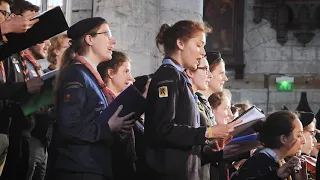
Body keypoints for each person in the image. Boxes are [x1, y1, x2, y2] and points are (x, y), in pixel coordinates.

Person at [144, 20, 241, 180]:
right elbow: (162, 129)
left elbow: (184, 135)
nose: (203, 52)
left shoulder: (178, 78)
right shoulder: (168, 77)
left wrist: (209, 144)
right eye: (199, 45)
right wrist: (208, 132)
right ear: (180, 43)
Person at [48, 17, 135, 180]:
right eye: (107, 35)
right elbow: (69, 127)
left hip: (91, 166)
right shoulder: (77, 74)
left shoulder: (90, 76)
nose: (113, 41)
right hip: (79, 168)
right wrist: (108, 127)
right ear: (89, 39)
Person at [232, 111, 307, 180]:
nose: (304, 141)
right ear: (283, 139)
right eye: (299, 135)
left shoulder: (282, 164)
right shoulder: (258, 164)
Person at [97, 50, 136, 179]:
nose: (131, 78)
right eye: (126, 71)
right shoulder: (103, 102)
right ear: (110, 73)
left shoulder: (118, 101)